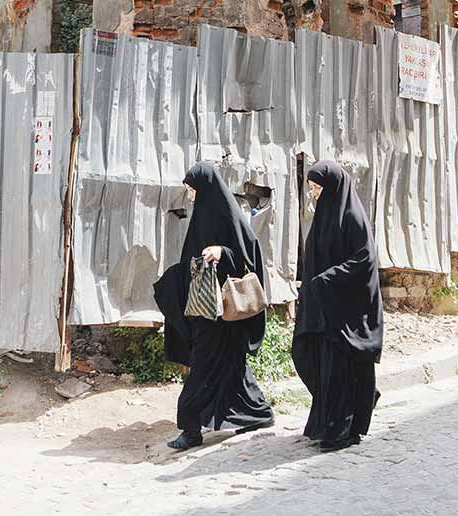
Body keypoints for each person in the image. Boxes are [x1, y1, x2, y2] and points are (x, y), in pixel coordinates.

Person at [153, 163, 275, 451]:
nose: (190, 195)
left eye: (192, 189)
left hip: (224, 312)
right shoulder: (201, 217)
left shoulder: (227, 214)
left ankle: (191, 428)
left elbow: (249, 253)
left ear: (206, 188)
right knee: (231, 368)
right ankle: (257, 412)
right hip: (205, 309)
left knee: (202, 369)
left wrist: (223, 252)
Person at [292, 159, 384, 451]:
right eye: (311, 188)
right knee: (315, 361)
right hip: (324, 307)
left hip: (347, 308)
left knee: (340, 368)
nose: (314, 194)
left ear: (333, 187)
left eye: (318, 187)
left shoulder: (352, 217)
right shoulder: (322, 217)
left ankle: (343, 430)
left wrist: (329, 279)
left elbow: (365, 260)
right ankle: (328, 423)